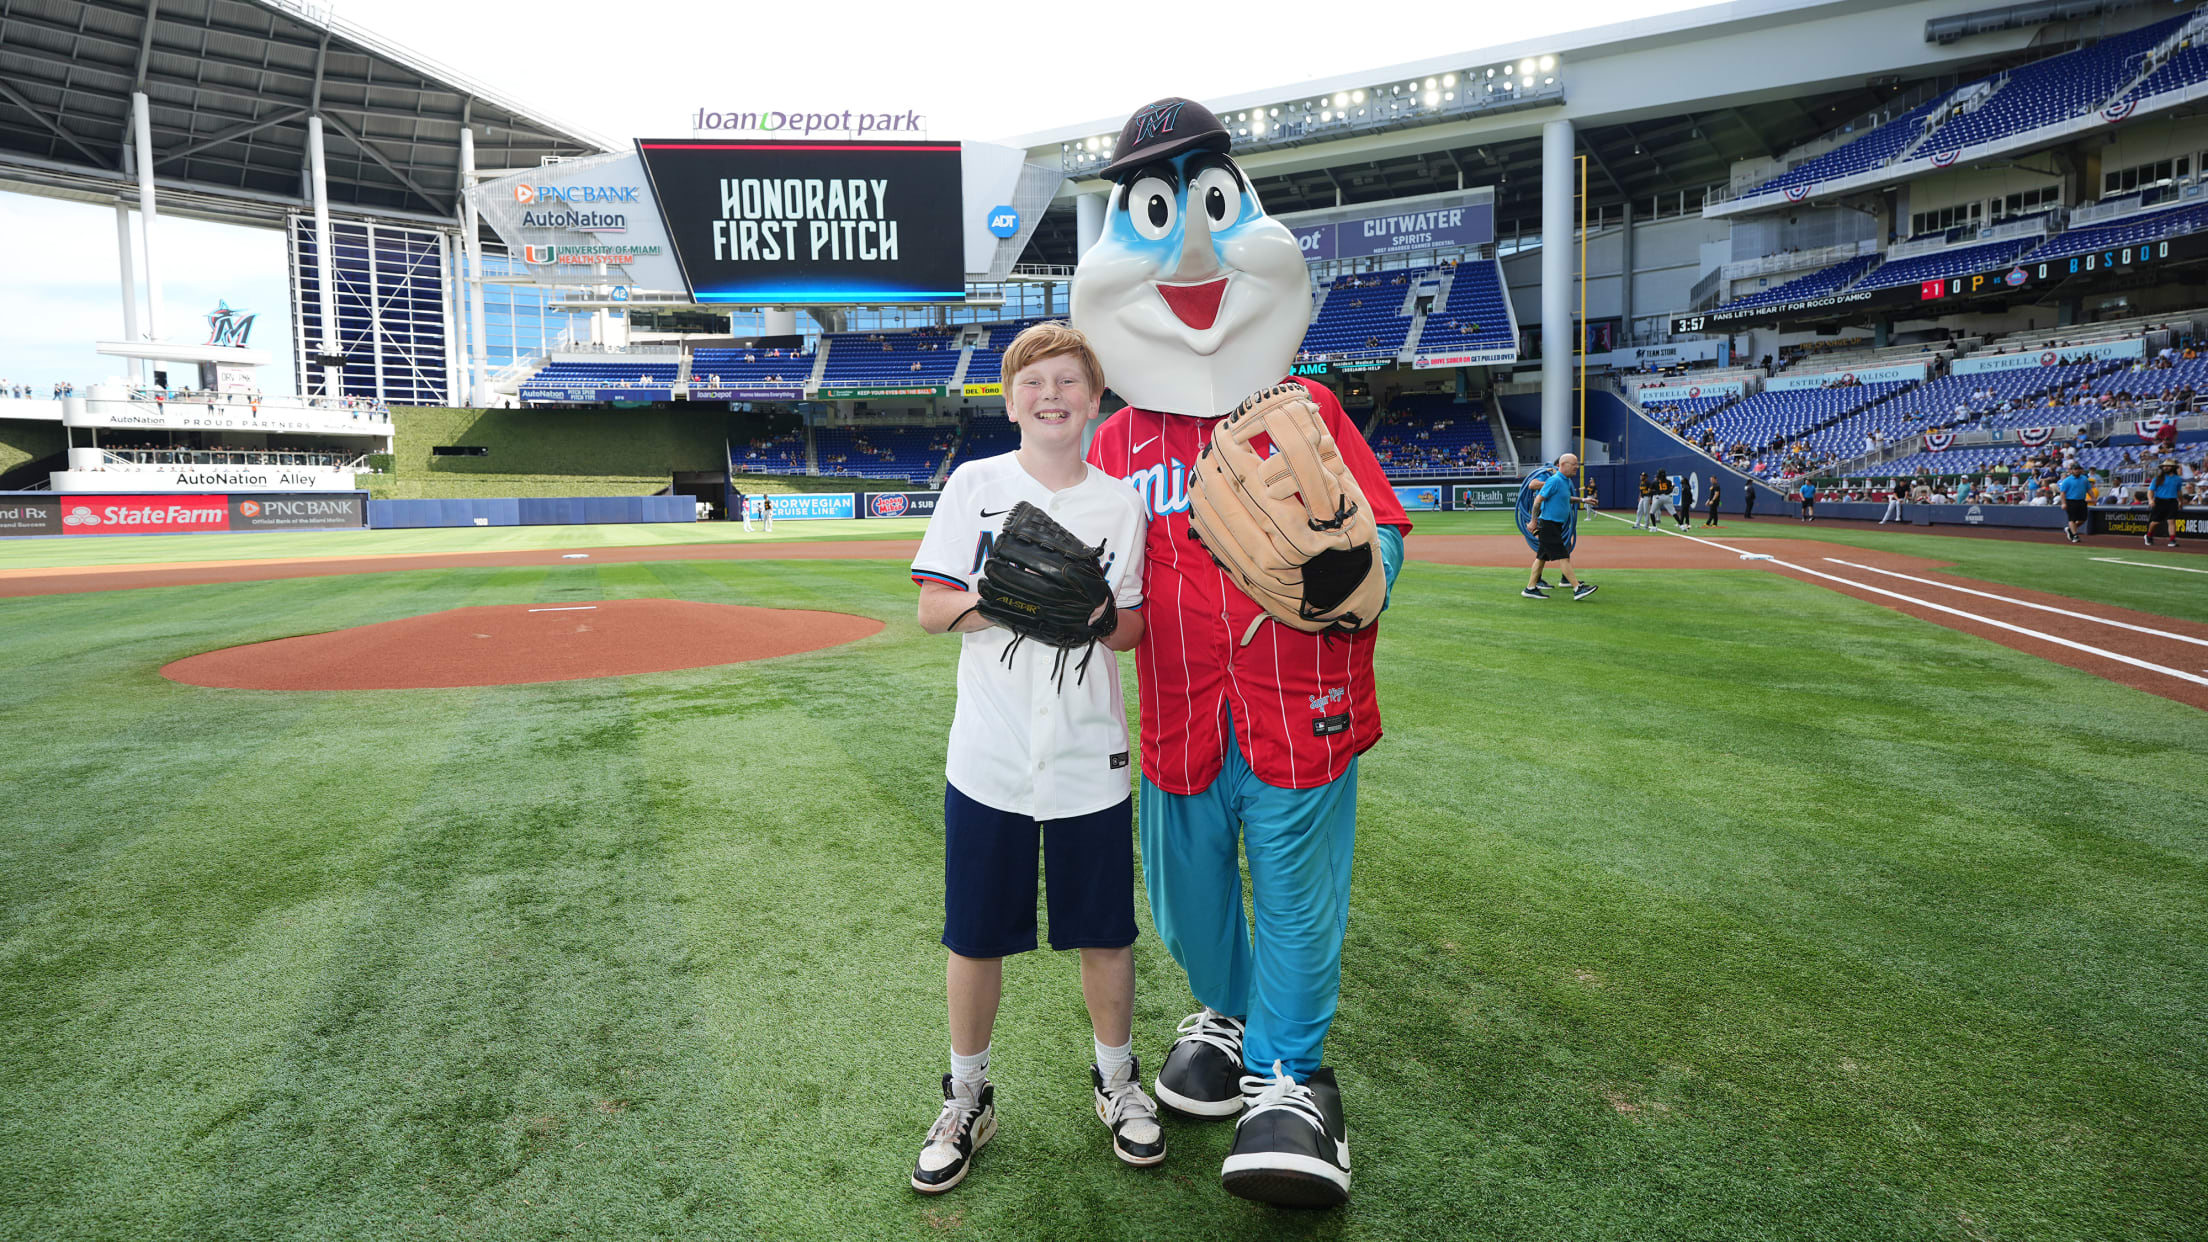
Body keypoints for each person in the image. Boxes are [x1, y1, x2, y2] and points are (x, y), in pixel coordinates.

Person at [1073, 98, 1409, 1208]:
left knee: (1300, 897)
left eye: (1211, 206)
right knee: (1188, 902)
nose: (1193, 250)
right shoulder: (1116, 441)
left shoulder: (1304, 404)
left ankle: (1295, 1077)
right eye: (1158, 213)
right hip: (1175, 709)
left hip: (1298, 700)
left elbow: (1383, 534)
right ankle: (1228, 1010)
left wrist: (1359, 583)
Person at [906, 322, 1156, 1194]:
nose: (1052, 395)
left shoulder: (1122, 503)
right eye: (1034, 383)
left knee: (1106, 932)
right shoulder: (976, 484)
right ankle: (966, 1094)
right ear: (1011, 401)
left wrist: (1089, 617)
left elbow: (1131, 627)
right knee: (975, 937)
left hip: (1091, 752)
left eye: (1068, 382)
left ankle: (1118, 1082)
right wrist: (1004, 594)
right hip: (990, 755)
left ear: (1094, 399)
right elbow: (933, 610)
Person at [1525, 455, 1595, 600]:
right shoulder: (1554, 480)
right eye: (1574, 464)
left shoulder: (1564, 481)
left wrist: (1583, 499)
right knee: (1563, 556)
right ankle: (1577, 588)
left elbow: (1565, 498)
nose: (1577, 467)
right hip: (1548, 525)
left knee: (1541, 558)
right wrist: (1533, 521)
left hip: (1555, 525)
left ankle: (1530, 588)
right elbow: (1538, 500)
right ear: (1563, 464)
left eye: (1577, 464)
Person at [2147, 459, 2185, 548]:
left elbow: (2179, 491)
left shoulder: (2178, 479)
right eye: (2164, 466)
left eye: (2168, 466)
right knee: (2155, 522)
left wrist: (2180, 501)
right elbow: (2151, 490)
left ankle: (2172, 539)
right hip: (2160, 501)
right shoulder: (2157, 479)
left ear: (2172, 467)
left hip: (2172, 501)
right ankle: (2149, 535)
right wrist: (2150, 500)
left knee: (2171, 521)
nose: (2165, 467)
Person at [2057, 462, 2093, 544]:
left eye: (2078, 469)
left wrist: (2093, 497)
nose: (2077, 471)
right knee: (2072, 518)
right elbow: (2062, 493)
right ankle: (2075, 535)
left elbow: (2089, 489)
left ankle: (2070, 529)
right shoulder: (2067, 480)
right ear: (2072, 471)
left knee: (2083, 519)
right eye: (2075, 469)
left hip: (2081, 501)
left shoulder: (2084, 479)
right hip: (2070, 501)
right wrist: (2063, 503)